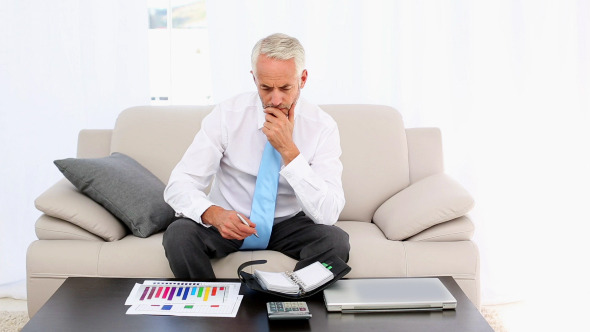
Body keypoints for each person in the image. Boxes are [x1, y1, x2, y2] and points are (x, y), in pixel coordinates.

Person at [162, 33, 349, 279]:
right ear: (254, 79)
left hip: (287, 224)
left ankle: (286, 296)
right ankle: (210, 306)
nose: (275, 99)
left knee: (336, 243)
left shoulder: (322, 126)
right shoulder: (227, 115)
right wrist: (214, 214)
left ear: (302, 79)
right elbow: (179, 184)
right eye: (266, 88)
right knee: (179, 234)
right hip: (230, 221)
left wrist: (288, 150)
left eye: (285, 88)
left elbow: (328, 213)